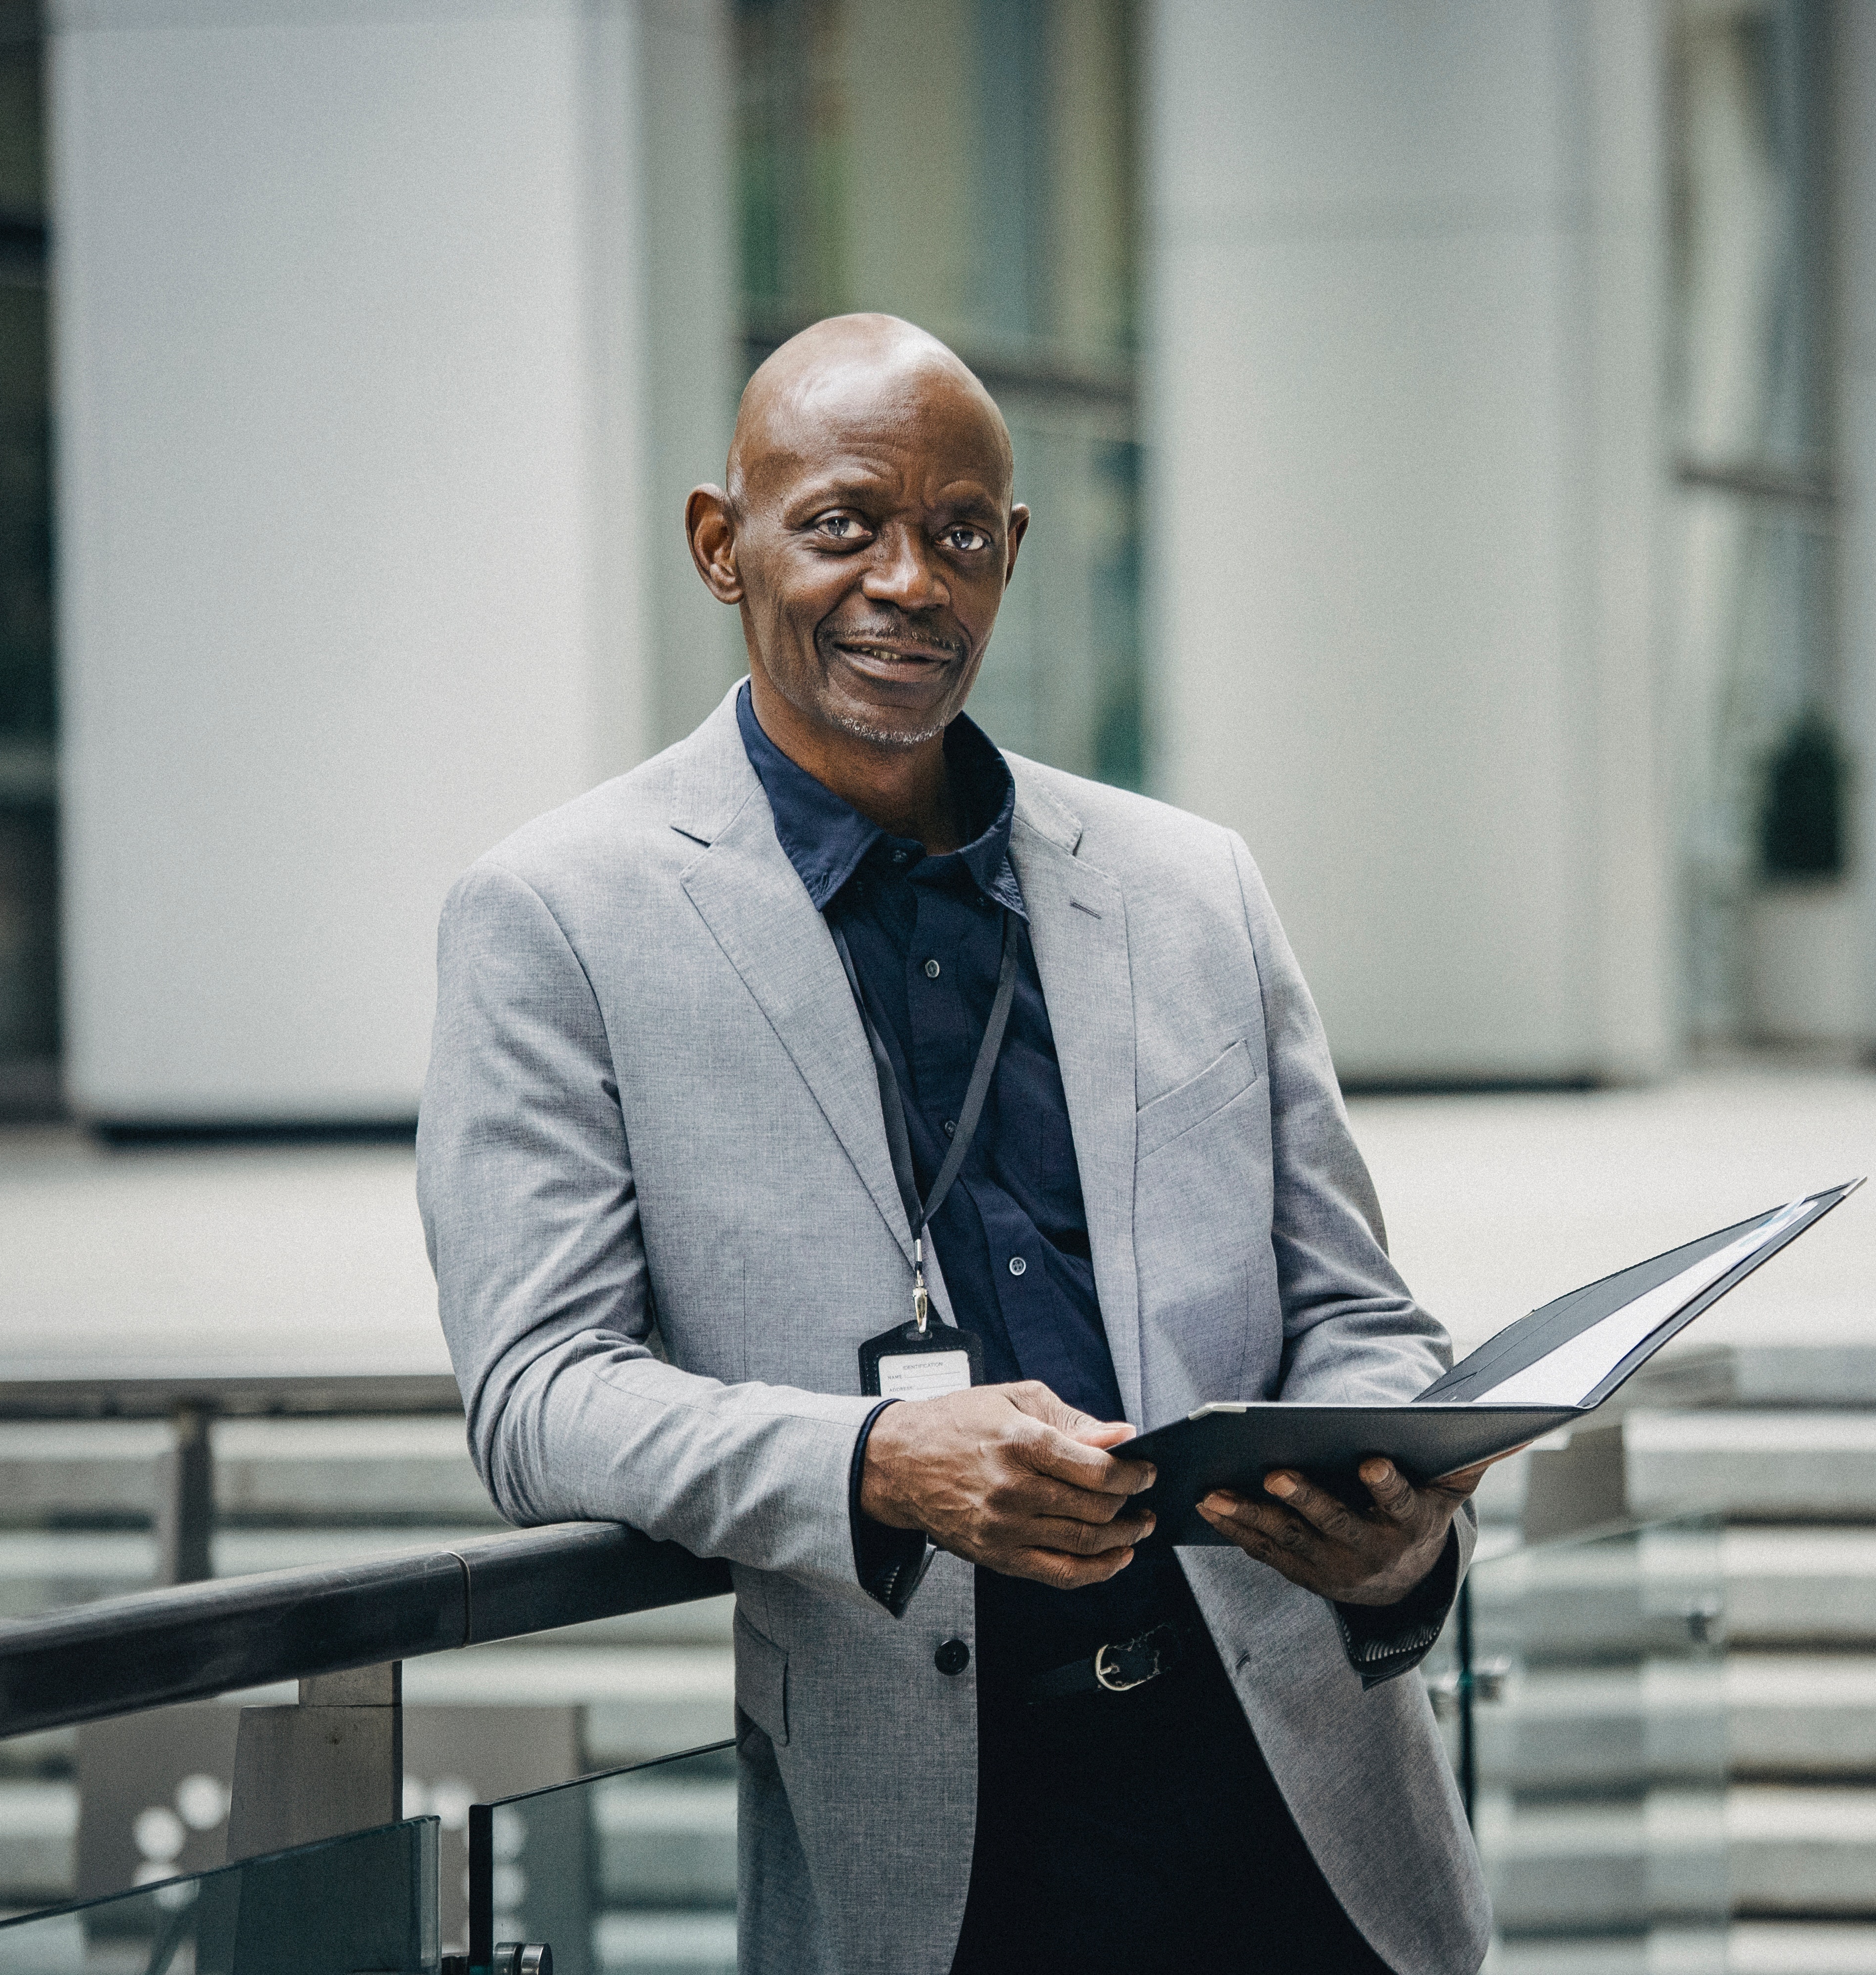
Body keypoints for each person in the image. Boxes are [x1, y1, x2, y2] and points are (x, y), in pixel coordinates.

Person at [419, 314, 1493, 1975]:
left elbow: (1356, 1309)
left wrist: (1404, 1517)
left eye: (961, 534)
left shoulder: (1191, 884)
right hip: (938, 1861)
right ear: (724, 545)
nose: (910, 583)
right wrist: (871, 1462)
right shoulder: (554, 916)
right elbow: (538, 1387)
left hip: (1304, 1827)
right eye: (845, 523)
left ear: (1012, 556)